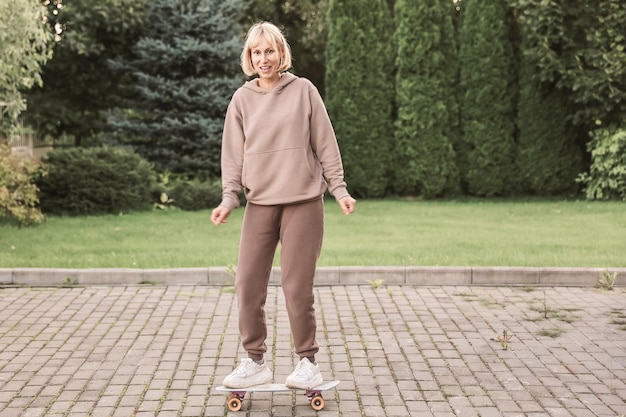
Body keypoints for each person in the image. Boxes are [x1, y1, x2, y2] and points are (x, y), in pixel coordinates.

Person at [210, 21, 356, 390]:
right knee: (246, 284)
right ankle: (255, 360)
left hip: (303, 202)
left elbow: (326, 144)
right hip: (260, 203)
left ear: (281, 53)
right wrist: (229, 198)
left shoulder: (304, 90)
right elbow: (233, 156)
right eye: (256, 52)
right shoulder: (242, 99)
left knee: (296, 287)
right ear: (249, 57)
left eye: (270, 51)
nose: (264, 58)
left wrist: (339, 190)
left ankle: (307, 361)